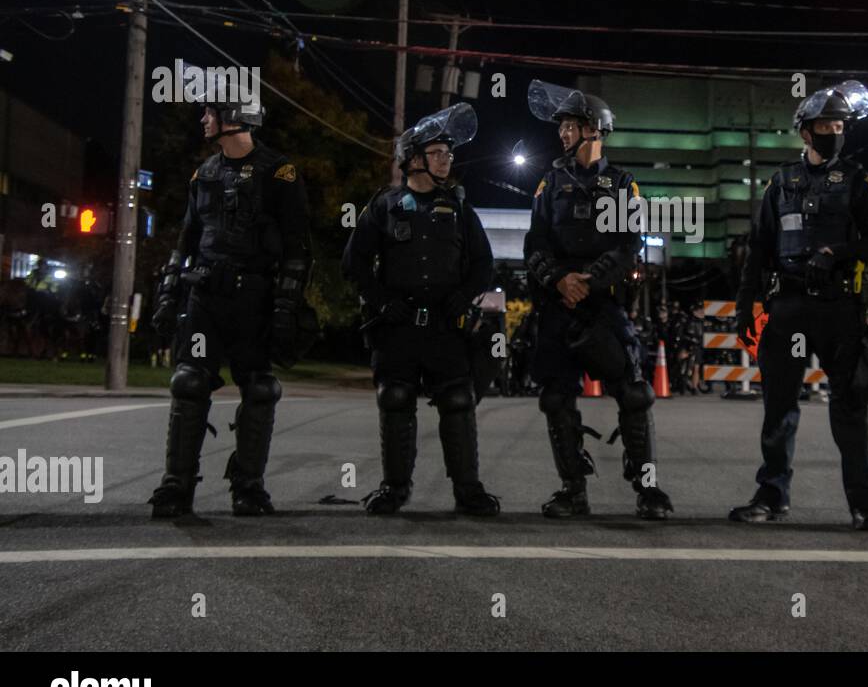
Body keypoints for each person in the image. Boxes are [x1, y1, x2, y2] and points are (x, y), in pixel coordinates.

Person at [728, 80, 868, 529]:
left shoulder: (859, 181)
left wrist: (836, 254)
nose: (833, 132)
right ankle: (771, 498)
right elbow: (758, 249)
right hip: (787, 309)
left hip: (840, 309)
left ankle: (863, 506)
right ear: (804, 132)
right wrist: (746, 307)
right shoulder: (781, 183)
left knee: (849, 411)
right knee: (779, 409)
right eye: (824, 125)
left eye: (839, 125)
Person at [148, 95, 311, 518]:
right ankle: (176, 487)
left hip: (253, 299)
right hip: (205, 298)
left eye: (210, 112)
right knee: (188, 382)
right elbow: (185, 240)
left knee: (258, 389)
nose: (203, 119)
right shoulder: (204, 173)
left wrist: (285, 306)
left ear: (233, 118)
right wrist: (167, 292)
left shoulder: (280, 172)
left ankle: (249, 487)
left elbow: (297, 249)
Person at [523, 80, 673, 520]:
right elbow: (535, 245)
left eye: (570, 126)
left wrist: (588, 279)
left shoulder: (623, 184)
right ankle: (572, 490)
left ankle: (648, 491)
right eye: (563, 127)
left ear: (593, 130)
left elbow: (630, 245)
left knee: (634, 393)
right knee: (555, 398)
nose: (562, 134)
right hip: (558, 304)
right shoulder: (548, 183)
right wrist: (559, 279)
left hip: (603, 304)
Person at [341, 104, 500, 516]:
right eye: (437, 153)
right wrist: (380, 302)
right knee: (395, 399)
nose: (446, 159)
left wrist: (464, 297)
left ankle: (468, 491)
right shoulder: (384, 206)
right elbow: (354, 264)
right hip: (398, 327)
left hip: (447, 327)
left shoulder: (461, 209)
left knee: (458, 402)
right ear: (413, 158)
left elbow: (484, 265)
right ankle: (394, 488)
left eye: (449, 153)